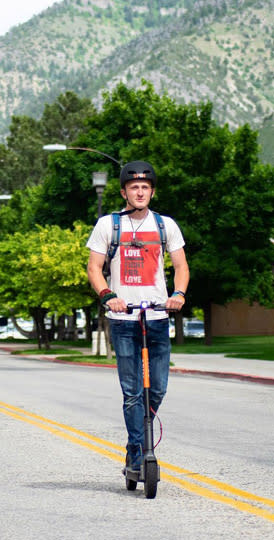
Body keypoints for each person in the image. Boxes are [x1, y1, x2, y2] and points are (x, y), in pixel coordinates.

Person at [86, 161, 189, 473]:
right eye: (134, 187)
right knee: (132, 392)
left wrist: (178, 295)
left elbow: (181, 266)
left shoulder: (165, 225)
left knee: (156, 388)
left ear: (152, 191)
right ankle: (137, 455)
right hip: (123, 320)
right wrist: (109, 296)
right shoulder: (108, 225)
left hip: (157, 316)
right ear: (124, 192)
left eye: (145, 187)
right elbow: (94, 268)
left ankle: (136, 446)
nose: (140, 191)